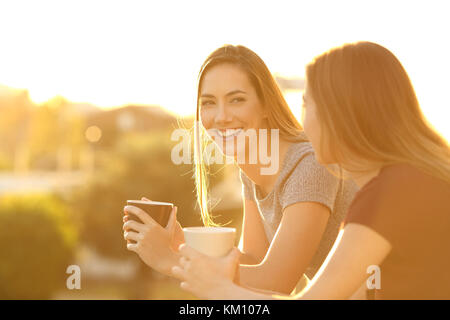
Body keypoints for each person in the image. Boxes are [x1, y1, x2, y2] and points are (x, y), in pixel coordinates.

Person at [172, 41, 450, 300]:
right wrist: (184, 249)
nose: (301, 121)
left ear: (343, 113)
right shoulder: (405, 182)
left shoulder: (388, 193)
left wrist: (211, 282)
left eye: (307, 104)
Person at [122, 44, 357, 295]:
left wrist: (170, 261)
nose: (221, 116)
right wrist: (181, 246)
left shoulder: (310, 165)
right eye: (209, 103)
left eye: (237, 100)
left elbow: (276, 281)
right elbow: (255, 260)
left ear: (266, 104)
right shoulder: (251, 169)